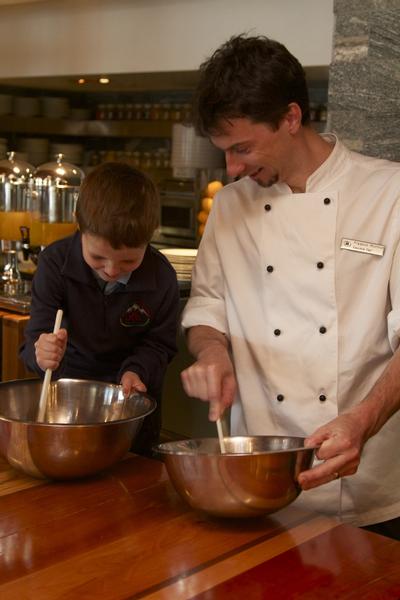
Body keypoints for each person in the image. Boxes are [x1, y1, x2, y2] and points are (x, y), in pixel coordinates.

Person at [180, 34, 400, 539]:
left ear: (292, 118)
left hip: (367, 483)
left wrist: (363, 419)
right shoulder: (231, 208)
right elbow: (207, 307)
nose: (232, 170)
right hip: (259, 480)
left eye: (243, 148)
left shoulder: (389, 196)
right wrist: (212, 353)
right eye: (224, 152)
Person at [20, 161, 180, 455]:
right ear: (79, 226)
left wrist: (137, 370)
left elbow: (160, 344)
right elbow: (35, 338)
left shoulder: (162, 277)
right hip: (68, 400)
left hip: (133, 403)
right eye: (97, 258)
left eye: (129, 262)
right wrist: (41, 354)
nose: (111, 270)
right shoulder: (56, 263)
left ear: (151, 236)